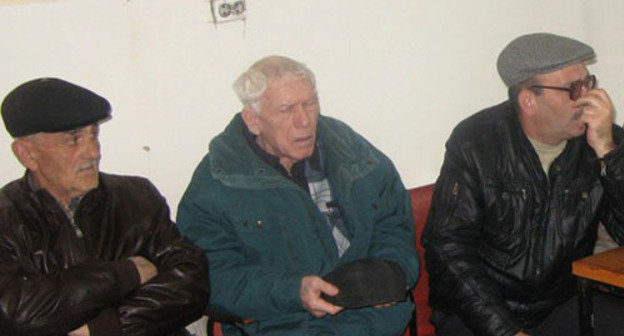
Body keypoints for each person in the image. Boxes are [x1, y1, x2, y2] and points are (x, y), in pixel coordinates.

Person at [176, 55, 418, 336]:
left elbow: (394, 225)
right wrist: (293, 292)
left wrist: (391, 272)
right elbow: (212, 279)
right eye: (286, 109)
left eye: (310, 103)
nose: (303, 120)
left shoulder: (351, 151)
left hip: (370, 321)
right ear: (253, 120)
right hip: (280, 324)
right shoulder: (218, 182)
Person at [423, 32, 624, 336]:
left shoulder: (603, 142)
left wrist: (609, 154)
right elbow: (448, 249)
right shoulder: (476, 142)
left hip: (561, 303)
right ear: (529, 100)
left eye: (588, 83)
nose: (588, 99)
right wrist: (506, 331)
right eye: (574, 89)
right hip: (480, 311)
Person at [0, 78, 210, 336]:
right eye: (74, 139)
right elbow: (13, 312)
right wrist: (125, 274)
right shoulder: (6, 218)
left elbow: (191, 284)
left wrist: (103, 327)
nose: (93, 152)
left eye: (94, 134)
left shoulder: (137, 198)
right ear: (27, 154)